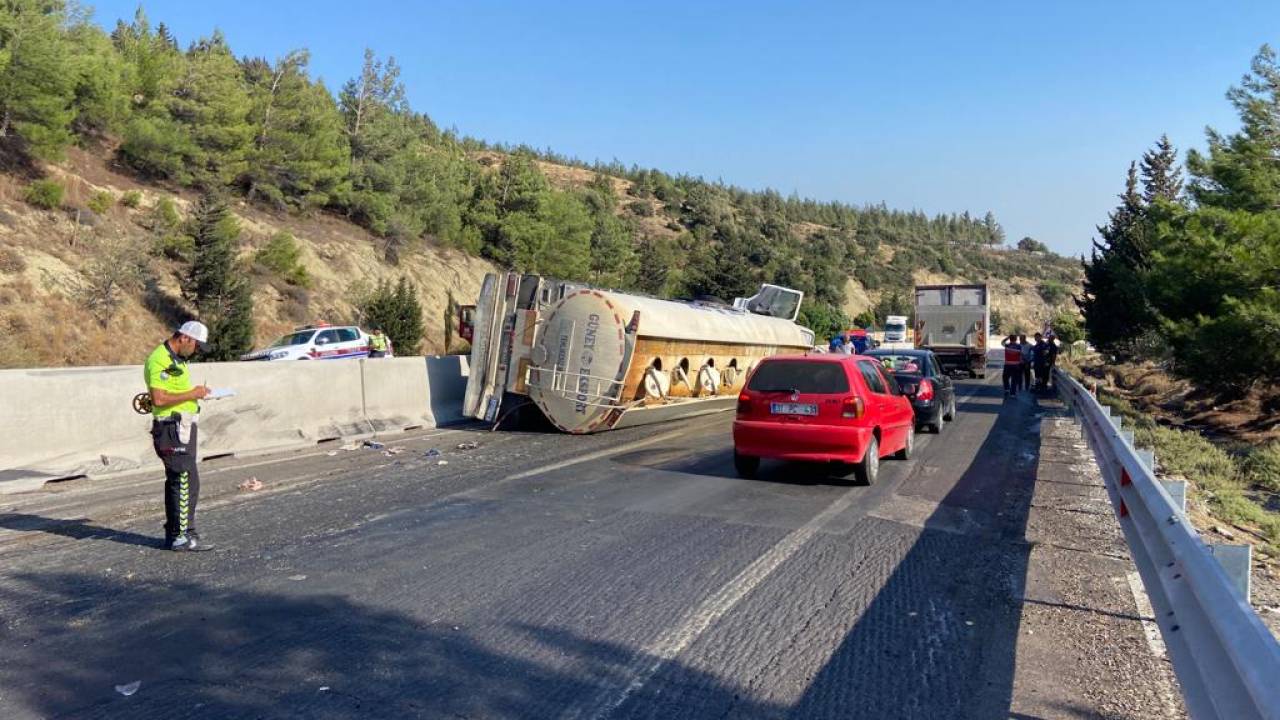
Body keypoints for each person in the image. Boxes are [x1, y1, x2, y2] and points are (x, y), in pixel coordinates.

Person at [144, 321, 213, 552]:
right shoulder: (160, 360)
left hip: (182, 426)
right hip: (171, 427)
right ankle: (179, 536)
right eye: (196, 346)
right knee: (181, 479)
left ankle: (184, 531)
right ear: (184, 338)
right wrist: (192, 393)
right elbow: (159, 399)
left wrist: (196, 396)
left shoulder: (178, 360)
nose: (196, 352)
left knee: (188, 480)